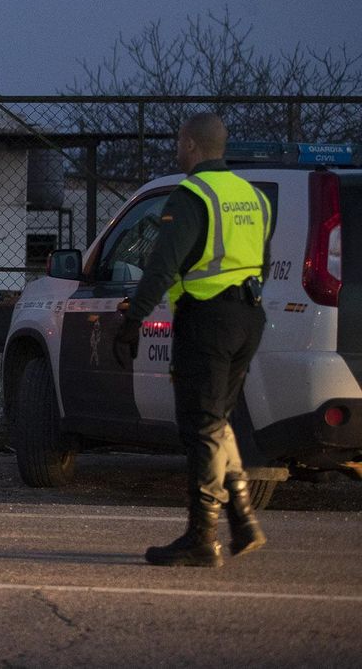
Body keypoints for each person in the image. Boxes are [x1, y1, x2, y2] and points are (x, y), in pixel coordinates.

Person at [113, 112, 271, 568]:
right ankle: (242, 521)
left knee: (200, 427)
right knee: (217, 420)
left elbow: (162, 266)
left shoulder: (191, 196)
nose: (177, 150)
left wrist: (132, 322)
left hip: (207, 321)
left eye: (179, 143)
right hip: (249, 318)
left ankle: (202, 538)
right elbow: (262, 259)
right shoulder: (254, 197)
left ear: (192, 146)